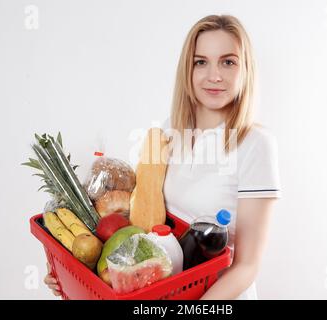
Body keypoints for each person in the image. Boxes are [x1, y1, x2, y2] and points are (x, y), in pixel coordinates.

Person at [44, 14, 282, 300]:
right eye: (201, 62)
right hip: (167, 292)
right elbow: (142, 210)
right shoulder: (170, 129)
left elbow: (247, 266)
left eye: (228, 62)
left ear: (245, 69)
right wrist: (70, 267)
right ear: (188, 70)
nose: (214, 75)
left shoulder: (255, 144)